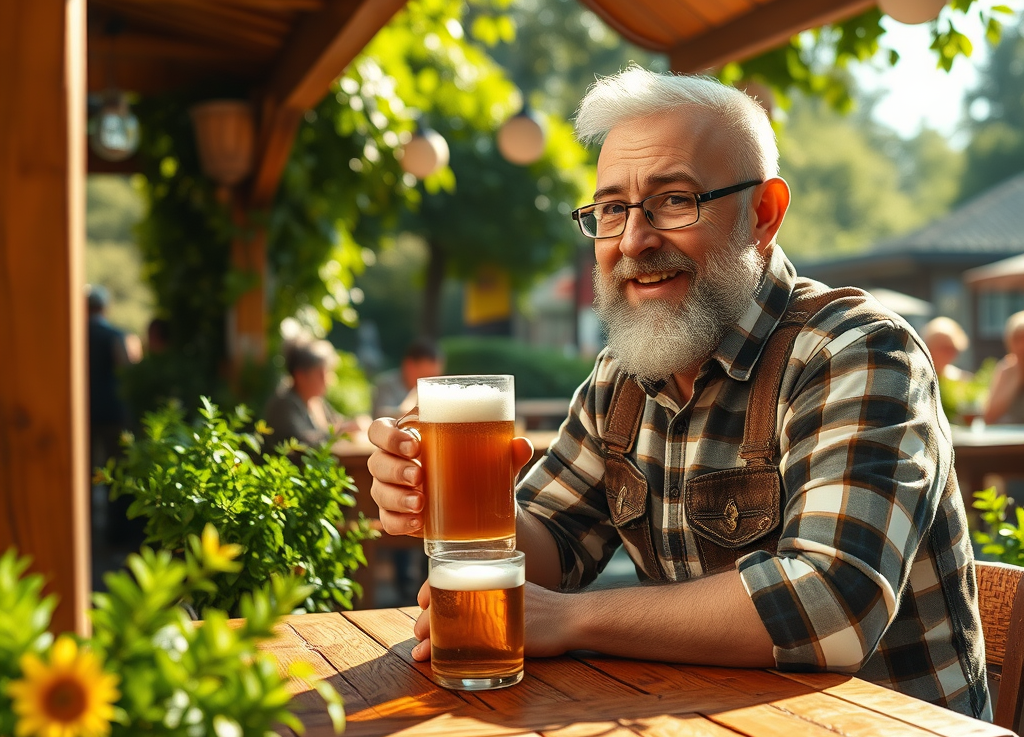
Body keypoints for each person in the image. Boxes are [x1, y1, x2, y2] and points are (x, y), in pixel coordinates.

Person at [365, 67, 988, 718]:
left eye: (674, 200)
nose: (634, 240)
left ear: (763, 214)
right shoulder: (622, 377)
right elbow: (548, 540)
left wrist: (570, 620)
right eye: (611, 209)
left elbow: (830, 604)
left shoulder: (856, 352)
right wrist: (448, 489)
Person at [87, 285, 142, 545]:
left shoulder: (73, 335)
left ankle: (83, 531)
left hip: (81, 415)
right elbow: (129, 370)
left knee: (82, 473)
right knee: (116, 473)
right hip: (112, 413)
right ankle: (116, 535)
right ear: (105, 308)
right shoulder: (115, 335)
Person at [263, 339, 368, 450]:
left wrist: (354, 424)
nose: (328, 380)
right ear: (300, 376)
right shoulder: (284, 405)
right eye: (321, 374)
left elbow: (338, 422)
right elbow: (300, 443)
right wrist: (340, 432)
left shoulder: (316, 402)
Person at [372, 338, 446, 419]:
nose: (431, 382)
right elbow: (380, 416)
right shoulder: (386, 384)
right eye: (426, 376)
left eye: (435, 377)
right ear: (410, 366)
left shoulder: (438, 390)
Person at [983, 310, 1024, 425]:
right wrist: (1018, 378)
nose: (1021, 346)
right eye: (1017, 339)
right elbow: (989, 416)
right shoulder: (1006, 369)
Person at [923, 316, 973, 382]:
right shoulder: (917, 378)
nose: (950, 354)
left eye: (953, 350)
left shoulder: (961, 379)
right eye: (944, 348)